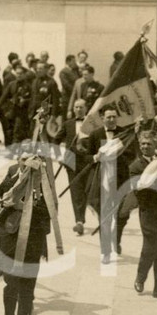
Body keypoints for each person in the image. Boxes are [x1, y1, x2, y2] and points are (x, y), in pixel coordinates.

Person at [0, 149, 59, 315]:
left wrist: (31, 207)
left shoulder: (42, 185)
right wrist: (6, 205)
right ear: (18, 161)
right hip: (11, 242)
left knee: (28, 287)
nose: (27, 164)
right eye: (23, 160)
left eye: (31, 160)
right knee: (11, 284)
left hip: (33, 242)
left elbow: (51, 213)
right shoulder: (11, 181)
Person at [81, 105, 138, 263]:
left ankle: (116, 240)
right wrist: (96, 157)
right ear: (102, 118)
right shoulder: (96, 134)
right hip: (102, 181)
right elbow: (86, 157)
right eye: (109, 117)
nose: (112, 120)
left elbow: (132, 155)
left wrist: (115, 155)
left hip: (121, 180)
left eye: (114, 116)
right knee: (104, 216)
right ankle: (105, 251)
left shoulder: (124, 133)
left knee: (121, 215)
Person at [130, 134, 157, 301]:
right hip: (148, 212)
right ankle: (140, 277)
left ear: (155, 145)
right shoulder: (136, 166)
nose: (145, 146)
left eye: (148, 143)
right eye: (142, 144)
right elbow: (138, 189)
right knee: (150, 247)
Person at [61, 98, 91, 235]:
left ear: (86, 109)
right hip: (72, 163)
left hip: (88, 162)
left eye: (81, 107)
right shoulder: (68, 124)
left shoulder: (92, 124)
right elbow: (55, 139)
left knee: (87, 191)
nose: (78, 109)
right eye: (76, 107)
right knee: (76, 191)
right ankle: (79, 221)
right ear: (73, 109)